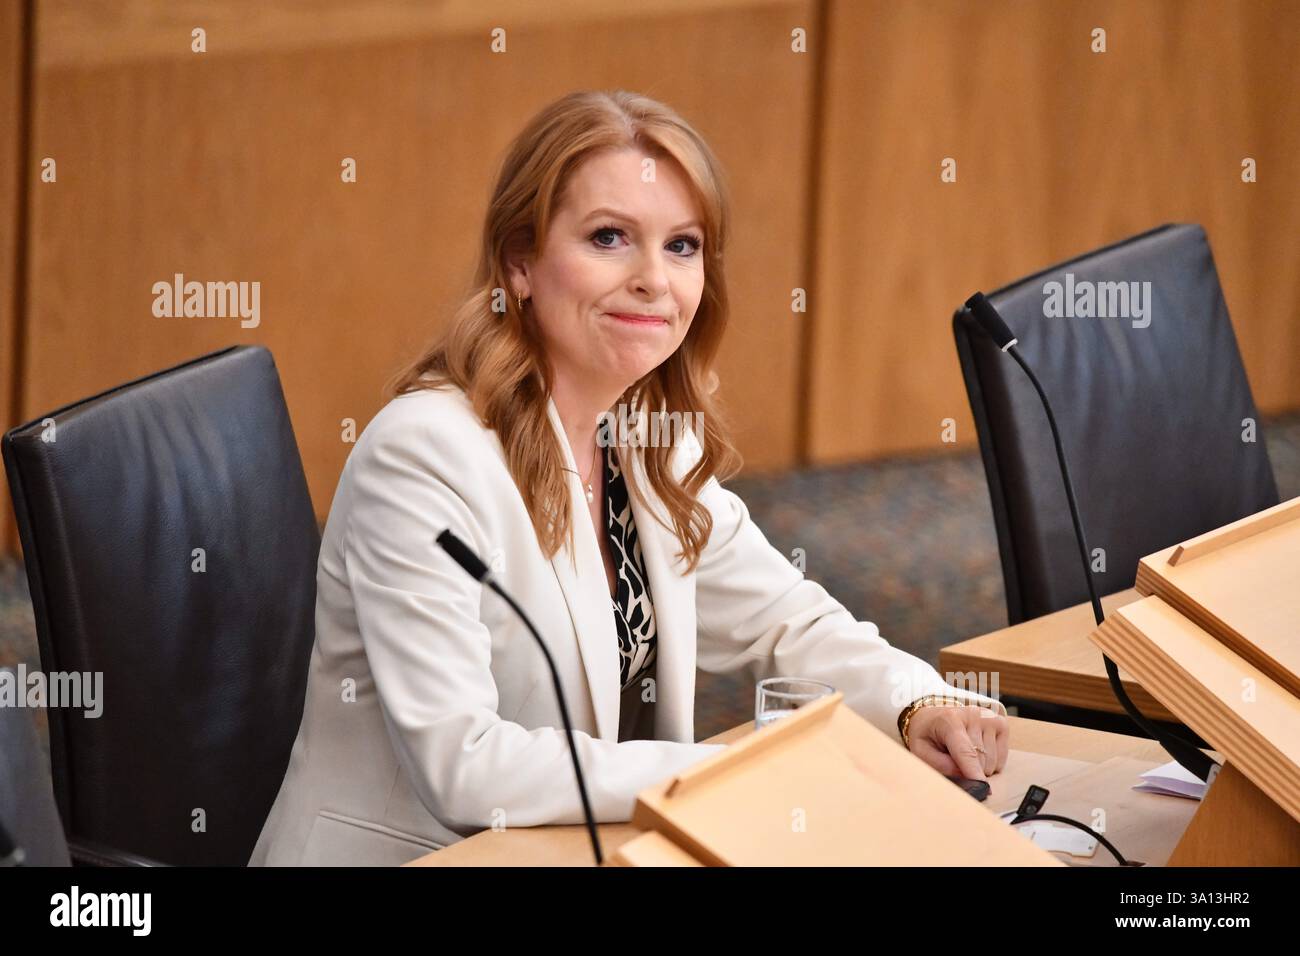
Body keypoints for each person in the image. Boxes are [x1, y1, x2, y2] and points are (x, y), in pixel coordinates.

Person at [249, 89, 1007, 866]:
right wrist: (729, 774)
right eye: (609, 238)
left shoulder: (645, 439)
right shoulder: (423, 458)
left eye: (682, 246)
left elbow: (787, 622)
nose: (655, 279)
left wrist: (920, 699)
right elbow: (463, 763)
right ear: (520, 262)